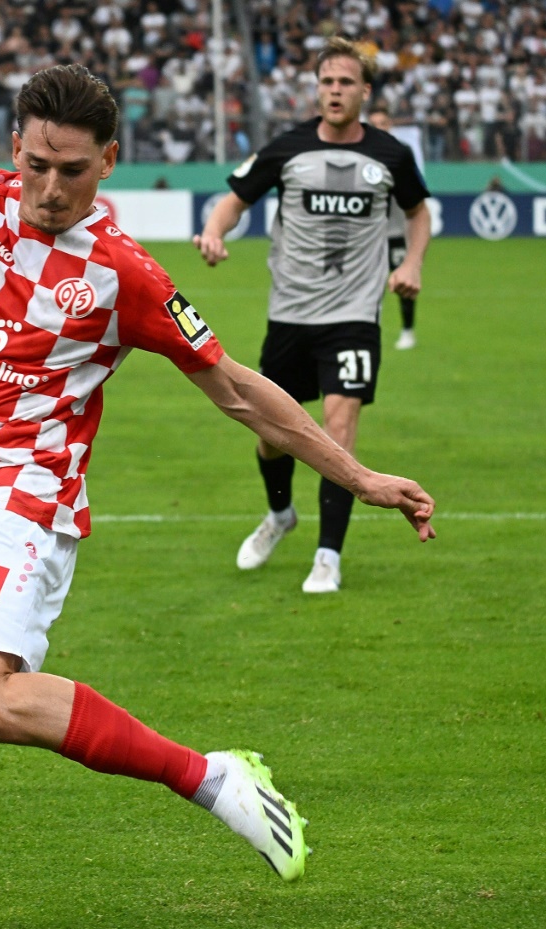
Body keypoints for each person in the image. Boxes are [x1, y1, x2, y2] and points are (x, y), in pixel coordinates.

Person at [0, 65, 437, 929]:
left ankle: (208, 775)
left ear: (110, 164)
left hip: (25, 510)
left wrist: (356, 474)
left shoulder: (124, 272)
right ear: (16, 147)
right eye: (41, 164)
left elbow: (241, 390)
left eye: (77, 171)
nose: (54, 189)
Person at [195, 39, 432, 594]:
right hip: (290, 316)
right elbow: (235, 199)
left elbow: (419, 214)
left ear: (364, 92)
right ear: (316, 88)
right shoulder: (287, 148)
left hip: (353, 316)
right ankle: (280, 514)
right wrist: (213, 230)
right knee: (272, 435)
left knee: (339, 430)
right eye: (327, 82)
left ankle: (328, 557)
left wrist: (413, 262)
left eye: (346, 83)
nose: (335, 91)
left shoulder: (392, 155)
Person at [367, 109, 419, 350]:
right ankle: (367, 331)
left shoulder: (400, 156)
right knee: (365, 287)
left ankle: (408, 330)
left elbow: (416, 200)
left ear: (391, 125)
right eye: (374, 123)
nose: (379, 127)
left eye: (383, 123)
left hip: (395, 234)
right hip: (366, 237)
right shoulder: (360, 154)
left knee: (403, 284)